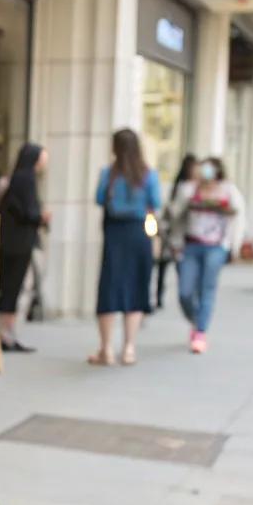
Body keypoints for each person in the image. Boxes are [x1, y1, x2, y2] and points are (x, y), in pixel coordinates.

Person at [91, 128, 161, 366]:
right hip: (139, 233)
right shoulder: (148, 174)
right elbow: (156, 203)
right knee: (136, 286)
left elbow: (100, 199)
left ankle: (106, 349)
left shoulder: (108, 174)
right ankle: (129, 348)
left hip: (114, 233)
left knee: (110, 286)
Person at [171, 157, 244, 352]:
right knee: (185, 292)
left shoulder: (229, 190)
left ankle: (200, 332)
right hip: (191, 245)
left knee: (207, 288)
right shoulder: (188, 189)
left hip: (216, 247)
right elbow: (175, 214)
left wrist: (233, 247)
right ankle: (196, 320)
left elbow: (238, 217)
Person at [0, 142, 49, 351]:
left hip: (13, 242)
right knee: (13, 288)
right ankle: (5, 334)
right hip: (17, 244)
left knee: (13, 288)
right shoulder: (25, 180)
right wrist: (42, 217)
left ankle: (6, 333)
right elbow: (27, 212)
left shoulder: (19, 178)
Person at [154, 153, 197, 309]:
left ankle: (182, 299)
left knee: (175, 269)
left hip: (182, 236)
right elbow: (173, 211)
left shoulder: (192, 188)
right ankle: (161, 297)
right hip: (174, 234)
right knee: (165, 267)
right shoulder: (182, 187)